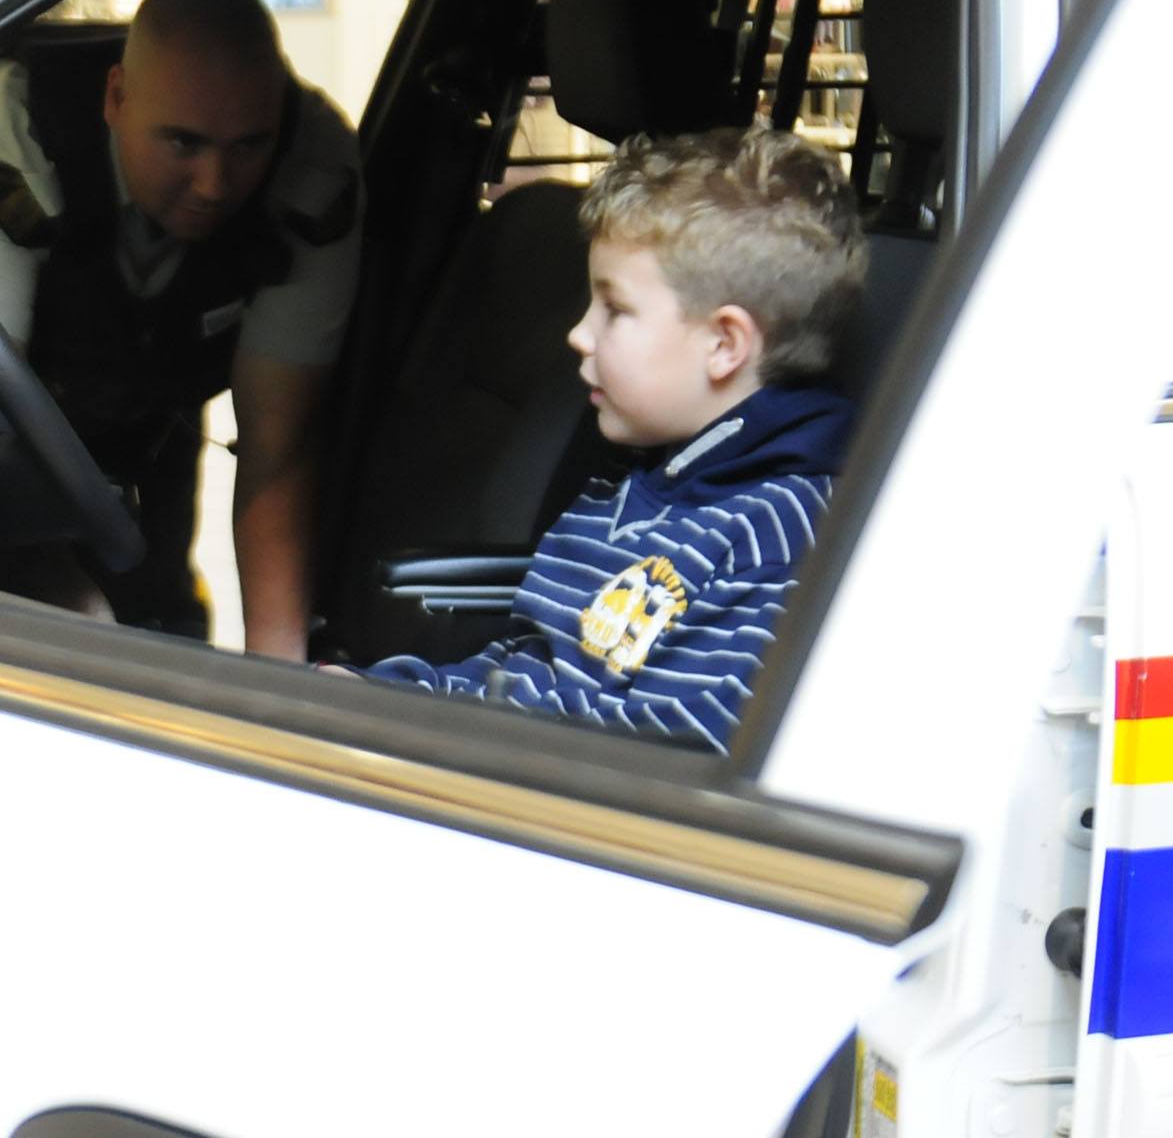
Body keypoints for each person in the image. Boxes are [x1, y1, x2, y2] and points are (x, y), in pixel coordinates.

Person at [359, 126, 866, 753]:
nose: (578, 332)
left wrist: (427, 733)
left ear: (725, 345)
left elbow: (666, 754)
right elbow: (523, 673)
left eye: (614, 309)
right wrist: (384, 699)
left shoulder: (776, 538)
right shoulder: (632, 488)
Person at [0, 0, 362, 658]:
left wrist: (281, 684)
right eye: (183, 144)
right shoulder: (9, 129)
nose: (215, 185)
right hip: (10, 437)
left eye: (247, 145)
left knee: (165, 625)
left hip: (159, 428)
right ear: (117, 98)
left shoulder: (314, 167)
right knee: (62, 637)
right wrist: (66, 597)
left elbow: (280, 445)